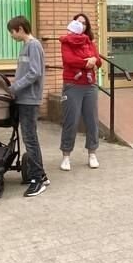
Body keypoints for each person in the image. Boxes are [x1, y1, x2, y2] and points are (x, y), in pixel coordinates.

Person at [7, 16, 48, 197]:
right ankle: (41, 175)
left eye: (12, 32)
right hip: (23, 98)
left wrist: (14, 87)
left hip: (30, 99)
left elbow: (34, 73)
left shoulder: (33, 45)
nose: (11, 35)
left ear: (20, 28)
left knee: (30, 139)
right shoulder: (25, 46)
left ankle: (37, 180)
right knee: (30, 138)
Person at [59, 14, 102, 171]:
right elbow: (69, 60)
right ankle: (66, 155)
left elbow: (98, 60)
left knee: (92, 121)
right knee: (71, 121)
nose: (81, 25)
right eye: (78, 22)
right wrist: (87, 62)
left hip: (89, 85)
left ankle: (92, 153)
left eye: (84, 23)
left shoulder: (89, 42)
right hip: (72, 84)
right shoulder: (66, 41)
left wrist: (94, 60)